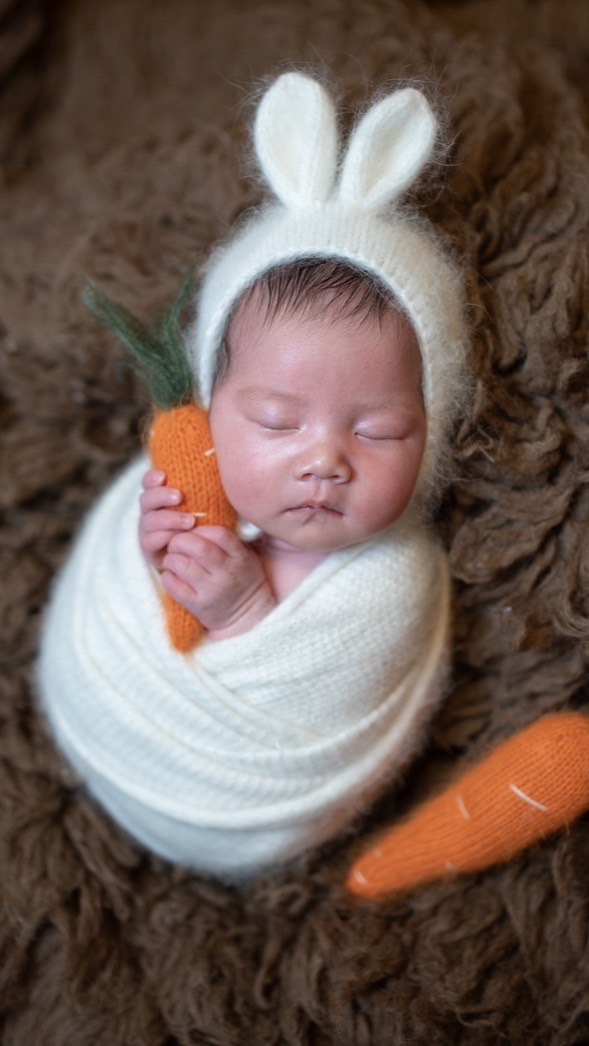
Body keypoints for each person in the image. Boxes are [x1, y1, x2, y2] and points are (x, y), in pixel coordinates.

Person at [38, 72, 469, 881]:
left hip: (244, 803)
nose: (324, 460)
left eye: (378, 430)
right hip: (104, 721)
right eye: (276, 421)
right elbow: (129, 595)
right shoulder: (187, 476)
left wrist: (240, 611)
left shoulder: (390, 578)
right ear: (212, 405)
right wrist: (152, 550)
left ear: (432, 436)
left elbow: (325, 692)